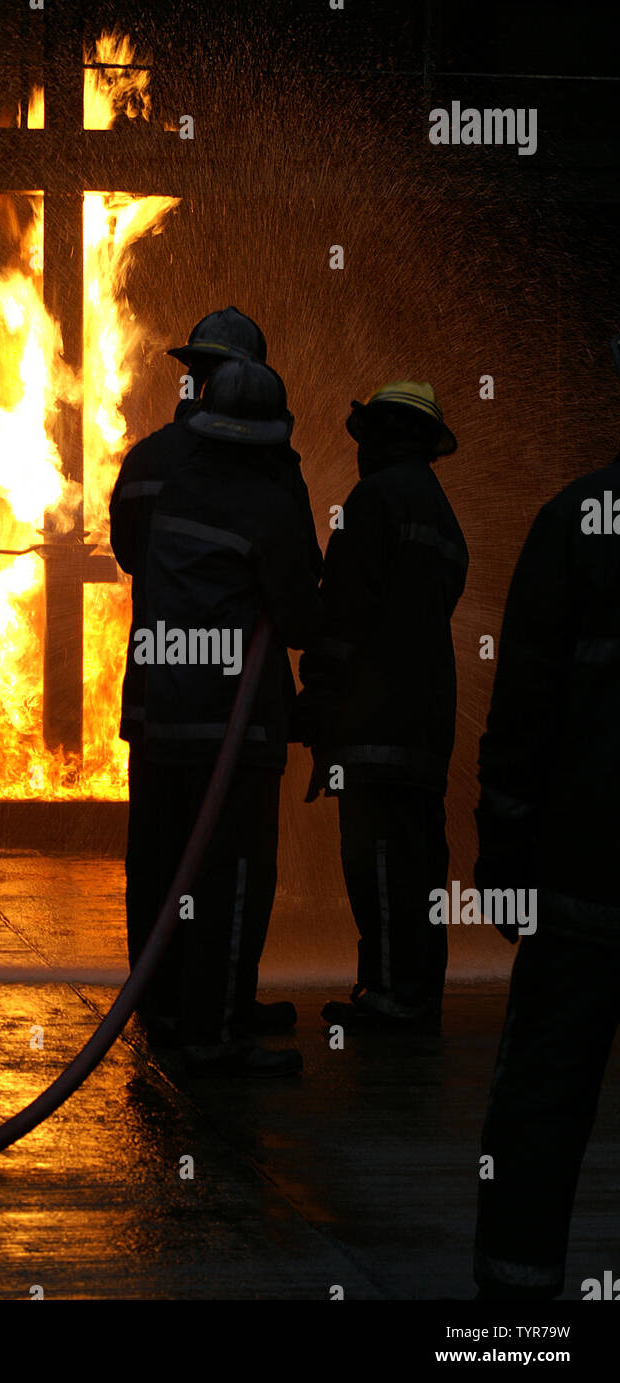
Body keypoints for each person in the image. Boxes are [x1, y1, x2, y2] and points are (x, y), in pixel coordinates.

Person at [110, 308, 320, 1043]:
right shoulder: (268, 483)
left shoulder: (146, 462)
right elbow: (298, 601)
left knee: (159, 860)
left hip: (160, 700)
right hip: (236, 715)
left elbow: (133, 559)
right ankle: (220, 1013)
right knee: (231, 873)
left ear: (193, 372)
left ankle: (160, 1003)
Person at [473, 443, 620, 1300]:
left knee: (538, 1117)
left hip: (581, 891)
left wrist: (505, 854)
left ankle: (515, 1330)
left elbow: (524, 705)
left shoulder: (576, 519)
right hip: (579, 889)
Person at [300, 381, 467, 1032]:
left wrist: (317, 690)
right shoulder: (442, 513)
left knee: (376, 859)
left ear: (388, 437)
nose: (361, 449)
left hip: (372, 718)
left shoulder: (375, 501)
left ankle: (389, 995)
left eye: (368, 436)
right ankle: (417, 993)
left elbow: (344, 608)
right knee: (421, 861)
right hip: (427, 716)